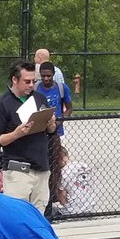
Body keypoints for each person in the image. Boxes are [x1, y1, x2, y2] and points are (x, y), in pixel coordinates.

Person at [0, 60, 58, 209]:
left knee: (39, 215)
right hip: (18, 170)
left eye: (33, 81)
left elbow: (50, 132)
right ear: (15, 79)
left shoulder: (39, 98)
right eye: (27, 81)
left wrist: (51, 125)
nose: (31, 85)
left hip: (41, 167)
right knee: (17, 215)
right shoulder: (2, 103)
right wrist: (16, 134)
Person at [34, 62, 73, 209]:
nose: (45, 79)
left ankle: (52, 198)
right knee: (41, 166)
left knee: (55, 165)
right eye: (43, 76)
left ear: (53, 75)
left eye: (48, 76)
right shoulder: (36, 87)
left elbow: (69, 108)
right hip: (39, 131)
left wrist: (60, 120)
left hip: (56, 132)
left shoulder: (61, 88)